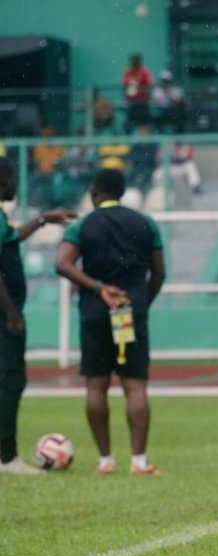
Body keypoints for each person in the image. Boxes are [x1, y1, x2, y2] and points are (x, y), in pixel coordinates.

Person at [55, 168, 165, 475]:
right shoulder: (145, 223)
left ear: (94, 193)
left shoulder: (84, 225)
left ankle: (105, 461)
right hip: (129, 312)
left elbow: (62, 264)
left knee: (96, 385)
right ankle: (139, 461)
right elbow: (159, 272)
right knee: (135, 386)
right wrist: (142, 303)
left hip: (95, 312)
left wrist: (98, 288)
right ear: (123, 192)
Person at [0, 158, 77, 475]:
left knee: (10, 380)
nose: (16, 185)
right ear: (3, 181)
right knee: (10, 380)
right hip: (4, 315)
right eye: (12, 179)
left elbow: (12, 238)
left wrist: (43, 219)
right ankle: (6, 458)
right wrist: (10, 313)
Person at [122, 54, 152, 132]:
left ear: (139, 62)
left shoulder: (145, 72)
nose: (134, 63)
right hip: (131, 103)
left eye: (136, 61)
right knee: (129, 123)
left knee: (144, 123)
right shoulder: (128, 72)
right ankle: (128, 137)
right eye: (133, 61)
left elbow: (148, 86)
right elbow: (125, 87)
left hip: (143, 102)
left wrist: (137, 87)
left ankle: (145, 138)